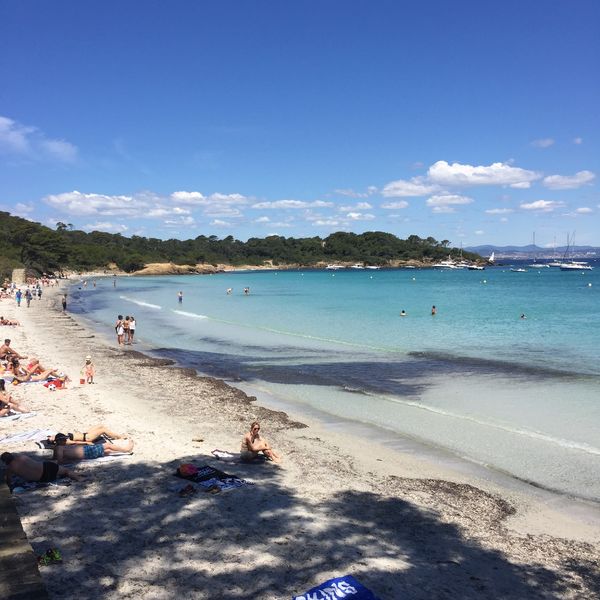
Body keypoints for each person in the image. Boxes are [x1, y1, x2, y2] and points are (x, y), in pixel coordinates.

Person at [1, 452, 80, 485]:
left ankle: (78, 476)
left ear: (5, 462)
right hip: (46, 467)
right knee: (66, 471)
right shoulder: (22, 457)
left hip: (43, 478)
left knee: (62, 472)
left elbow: (9, 481)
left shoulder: (10, 469)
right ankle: (79, 478)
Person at [53, 438, 134, 463]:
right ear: (59, 441)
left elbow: (56, 457)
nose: (66, 441)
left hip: (87, 452)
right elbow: (60, 461)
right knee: (107, 445)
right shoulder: (60, 448)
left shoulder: (58, 448)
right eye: (64, 440)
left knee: (107, 451)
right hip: (87, 452)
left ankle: (122, 451)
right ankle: (126, 449)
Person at [47, 425, 128, 445]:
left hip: (85, 434)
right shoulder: (63, 441)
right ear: (53, 441)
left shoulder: (59, 436)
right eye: (50, 438)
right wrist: (87, 443)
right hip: (87, 438)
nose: (51, 436)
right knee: (103, 430)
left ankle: (114, 435)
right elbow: (75, 443)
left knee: (101, 425)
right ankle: (119, 437)